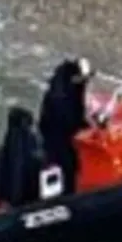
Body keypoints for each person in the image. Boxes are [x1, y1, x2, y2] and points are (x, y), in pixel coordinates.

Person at [37, 57, 94, 195]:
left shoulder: (63, 85)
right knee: (65, 167)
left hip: (55, 133)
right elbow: (69, 119)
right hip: (59, 138)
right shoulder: (63, 96)